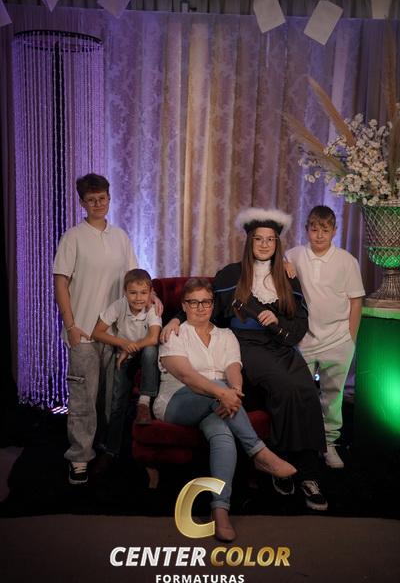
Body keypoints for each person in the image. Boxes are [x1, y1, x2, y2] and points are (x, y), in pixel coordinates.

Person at [161, 208, 328, 511]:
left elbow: (299, 323)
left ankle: (308, 472)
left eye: (270, 240)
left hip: (280, 345)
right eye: (258, 239)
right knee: (285, 386)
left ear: (277, 243)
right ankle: (280, 463)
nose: (264, 244)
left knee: (306, 388)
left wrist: (277, 322)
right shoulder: (230, 274)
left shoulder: (288, 276)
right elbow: (202, 303)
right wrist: (174, 318)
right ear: (249, 241)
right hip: (246, 345)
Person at [153, 277, 297, 542]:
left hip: (218, 403)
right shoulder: (174, 333)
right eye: (193, 302)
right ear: (184, 305)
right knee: (218, 386)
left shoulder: (226, 335)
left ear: (213, 304)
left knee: (222, 434)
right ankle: (259, 451)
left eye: (206, 302)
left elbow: (233, 369)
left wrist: (235, 392)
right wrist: (224, 393)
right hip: (177, 402)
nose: (200, 307)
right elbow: (186, 376)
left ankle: (220, 510)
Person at [53, 173, 138, 485]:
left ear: (109, 199)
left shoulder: (121, 238)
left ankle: (106, 451)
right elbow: (60, 283)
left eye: (102, 198)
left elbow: (134, 278)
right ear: (82, 203)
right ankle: (79, 458)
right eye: (91, 200)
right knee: (83, 400)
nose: (98, 204)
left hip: (115, 334)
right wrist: (71, 326)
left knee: (110, 401)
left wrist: (153, 297)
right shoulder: (73, 238)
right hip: (85, 332)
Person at [286, 205, 365, 469]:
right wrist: (283, 264)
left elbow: (356, 301)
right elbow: (275, 264)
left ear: (334, 231)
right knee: (300, 393)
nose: (319, 235)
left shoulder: (346, 261)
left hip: (338, 339)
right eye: (314, 229)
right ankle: (304, 443)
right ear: (306, 229)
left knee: (333, 395)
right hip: (305, 340)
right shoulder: (294, 255)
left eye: (325, 230)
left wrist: (350, 338)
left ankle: (329, 443)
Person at [91, 269, 162, 470]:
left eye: (143, 293)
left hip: (147, 356)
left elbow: (153, 338)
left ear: (150, 293)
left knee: (150, 350)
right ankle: (111, 450)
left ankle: (144, 402)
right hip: (126, 353)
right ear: (125, 292)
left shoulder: (152, 308)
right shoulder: (119, 306)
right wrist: (123, 344)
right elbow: (97, 332)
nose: (138, 298)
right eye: (133, 293)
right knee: (117, 402)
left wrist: (131, 348)